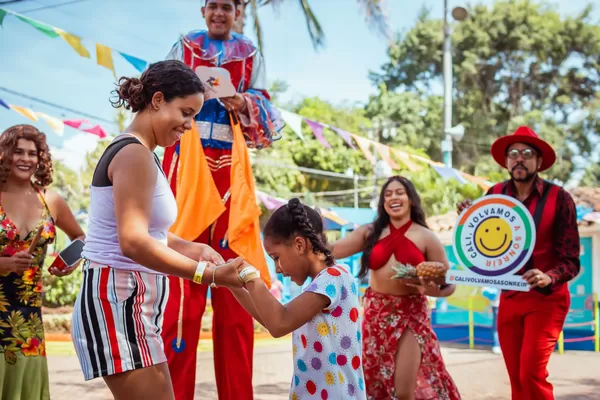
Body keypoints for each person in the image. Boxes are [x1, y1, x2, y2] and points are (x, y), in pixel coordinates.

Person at [70, 60, 245, 400]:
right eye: (185, 112)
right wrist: (208, 275)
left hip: (134, 301)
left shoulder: (147, 155)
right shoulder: (134, 154)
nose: (190, 125)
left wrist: (190, 247)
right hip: (117, 298)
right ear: (157, 100)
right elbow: (134, 242)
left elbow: (147, 231)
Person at [161, 1, 284, 398]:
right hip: (188, 168)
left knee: (236, 307)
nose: (219, 12)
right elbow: (157, 95)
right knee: (182, 301)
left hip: (232, 173)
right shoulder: (184, 46)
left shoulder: (249, 52)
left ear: (237, 11)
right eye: (213, 5)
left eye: (226, 6)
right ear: (202, 10)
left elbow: (266, 112)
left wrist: (244, 102)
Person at [456, 126, 580, 400]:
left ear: (538, 161)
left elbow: (571, 260)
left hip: (546, 300)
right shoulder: (494, 194)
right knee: (516, 378)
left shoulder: (559, 198)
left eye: (527, 153)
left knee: (531, 374)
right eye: (513, 153)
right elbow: (484, 243)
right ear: (506, 161)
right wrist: (467, 217)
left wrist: (549, 276)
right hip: (509, 296)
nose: (519, 159)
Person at [222, 198, 366, 400]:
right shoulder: (320, 283)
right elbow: (271, 319)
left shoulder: (334, 278)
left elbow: (280, 323)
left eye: (276, 257)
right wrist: (234, 285)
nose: (278, 269)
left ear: (299, 245)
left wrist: (250, 275)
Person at [331, 176, 461, 400]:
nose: (394, 197)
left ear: (410, 199)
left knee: (403, 392)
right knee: (373, 385)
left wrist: (434, 292)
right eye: (388, 194)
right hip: (376, 314)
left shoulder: (427, 236)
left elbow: (448, 283)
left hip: (410, 314)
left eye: (399, 192)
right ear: (382, 202)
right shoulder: (370, 232)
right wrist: (306, 235)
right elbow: (333, 251)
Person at [0, 124, 85, 399]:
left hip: (29, 321)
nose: (25, 158)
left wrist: (70, 262)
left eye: (32, 153)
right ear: (4, 154)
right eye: (18, 151)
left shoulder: (50, 200)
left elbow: (80, 237)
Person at [481, 286, 501, 354]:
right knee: (496, 326)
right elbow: (484, 290)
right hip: (497, 304)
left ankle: (498, 345)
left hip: (504, 303)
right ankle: (496, 345)